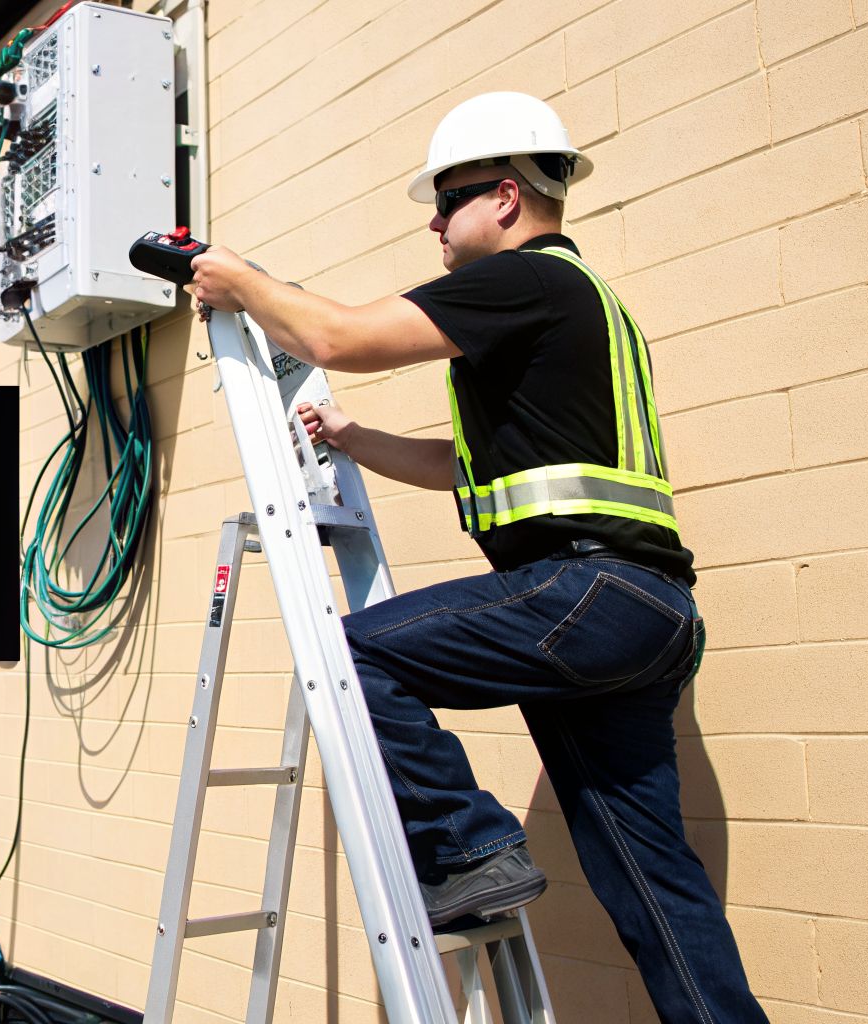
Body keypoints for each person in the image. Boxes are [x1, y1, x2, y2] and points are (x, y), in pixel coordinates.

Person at [185, 92, 766, 1023]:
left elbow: (335, 336)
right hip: (644, 613)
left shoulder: (526, 278)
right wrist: (353, 436)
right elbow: (475, 465)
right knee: (654, 888)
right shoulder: (585, 305)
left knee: (351, 655)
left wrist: (240, 284)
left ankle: (468, 850)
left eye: (446, 200)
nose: (434, 222)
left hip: (590, 591)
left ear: (504, 197)